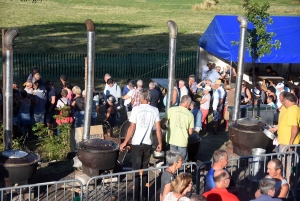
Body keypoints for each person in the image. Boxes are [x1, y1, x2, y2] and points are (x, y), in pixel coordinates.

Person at [120, 89, 162, 201]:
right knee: (144, 167)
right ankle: (143, 194)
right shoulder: (155, 110)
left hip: (137, 143)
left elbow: (131, 128)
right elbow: (158, 129)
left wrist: (124, 142)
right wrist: (160, 143)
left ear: (140, 98)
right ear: (148, 98)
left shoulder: (135, 109)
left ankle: (136, 193)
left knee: (136, 167)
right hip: (148, 143)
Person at [269, 92, 300, 183]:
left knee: (288, 164)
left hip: (287, 143)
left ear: (288, 101)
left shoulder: (292, 109)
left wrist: (291, 143)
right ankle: (286, 181)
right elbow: (283, 122)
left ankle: (288, 183)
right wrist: (275, 129)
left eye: (284, 101)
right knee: (285, 162)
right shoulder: (288, 108)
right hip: (283, 141)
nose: (283, 103)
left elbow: (295, 127)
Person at [161, 95, 194, 163]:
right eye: (190, 104)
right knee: (181, 161)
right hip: (182, 141)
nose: (190, 106)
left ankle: (169, 173)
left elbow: (162, 123)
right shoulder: (190, 115)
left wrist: (164, 127)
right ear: (187, 103)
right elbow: (190, 132)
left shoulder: (172, 110)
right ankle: (180, 173)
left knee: (170, 160)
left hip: (171, 139)